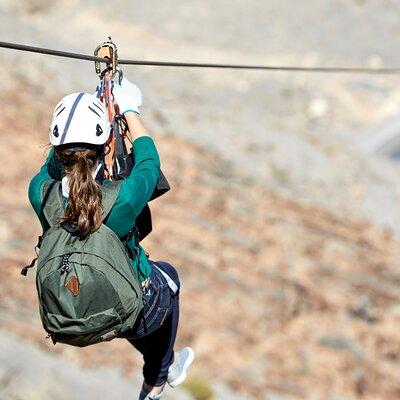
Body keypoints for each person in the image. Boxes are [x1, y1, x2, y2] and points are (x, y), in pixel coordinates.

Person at [28, 77, 194, 400]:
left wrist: (81, 124)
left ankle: (165, 366)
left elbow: (49, 169)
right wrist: (129, 109)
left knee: (135, 313)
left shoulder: (40, 194)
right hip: (125, 311)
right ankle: (157, 380)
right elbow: (149, 162)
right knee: (168, 281)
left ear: (58, 152)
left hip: (73, 305)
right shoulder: (121, 200)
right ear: (104, 148)